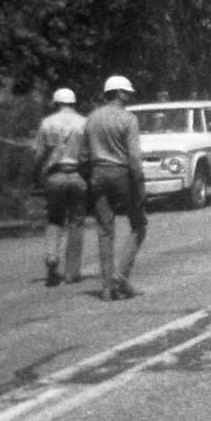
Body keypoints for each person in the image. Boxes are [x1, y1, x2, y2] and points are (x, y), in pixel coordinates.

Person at [82, 75, 147, 301]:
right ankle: (121, 275)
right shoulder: (128, 119)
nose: (129, 96)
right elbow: (134, 157)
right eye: (127, 92)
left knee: (105, 230)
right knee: (139, 224)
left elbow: (83, 154)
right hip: (121, 173)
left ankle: (108, 287)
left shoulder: (92, 118)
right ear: (119, 93)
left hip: (97, 173)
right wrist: (140, 184)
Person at [32, 87, 88, 286]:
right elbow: (87, 154)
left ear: (56, 103)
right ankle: (72, 272)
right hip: (78, 175)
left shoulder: (47, 123)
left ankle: (52, 256)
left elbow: (39, 154)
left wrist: (37, 177)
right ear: (73, 103)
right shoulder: (84, 123)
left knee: (54, 219)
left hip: (55, 176)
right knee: (76, 222)